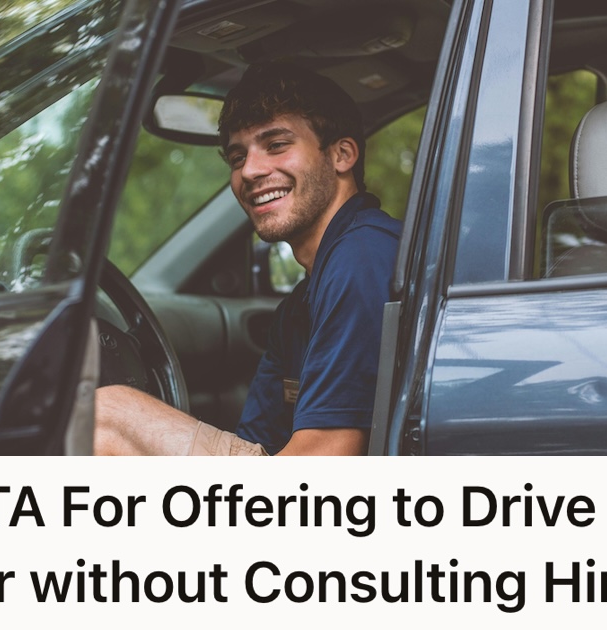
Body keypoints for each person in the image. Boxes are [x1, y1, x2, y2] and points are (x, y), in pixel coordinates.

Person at [94, 63, 401, 456]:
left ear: (342, 155)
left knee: (106, 416)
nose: (250, 171)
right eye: (237, 157)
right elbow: (257, 440)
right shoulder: (297, 309)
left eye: (276, 145)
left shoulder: (363, 256)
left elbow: (327, 458)